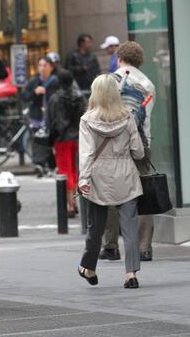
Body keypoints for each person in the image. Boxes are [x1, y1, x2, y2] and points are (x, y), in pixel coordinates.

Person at [77, 74, 144, 289]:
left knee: (95, 227)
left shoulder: (87, 120)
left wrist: (83, 179)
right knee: (130, 227)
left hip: (99, 177)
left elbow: (87, 153)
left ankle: (89, 268)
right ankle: (130, 274)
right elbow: (139, 152)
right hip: (126, 174)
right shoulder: (128, 117)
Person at [99, 41, 157, 262]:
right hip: (141, 143)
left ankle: (111, 246)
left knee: (110, 192)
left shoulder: (109, 81)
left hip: (113, 145)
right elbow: (146, 117)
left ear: (120, 58)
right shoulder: (147, 84)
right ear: (139, 61)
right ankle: (144, 248)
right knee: (143, 192)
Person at [47, 69, 87, 217]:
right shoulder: (80, 97)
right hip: (78, 138)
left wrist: (51, 141)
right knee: (75, 169)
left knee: (64, 170)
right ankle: (75, 201)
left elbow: (52, 122)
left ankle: (70, 204)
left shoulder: (55, 98)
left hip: (62, 139)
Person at [22, 57, 59, 177]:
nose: (42, 68)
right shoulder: (33, 81)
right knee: (38, 141)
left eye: (45, 65)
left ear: (51, 67)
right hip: (37, 116)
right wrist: (34, 92)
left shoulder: (55, 81)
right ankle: (40, 164)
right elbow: (25, 97)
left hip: (51, 117)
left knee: (48, 142)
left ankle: (50, 165)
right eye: (40, 65)